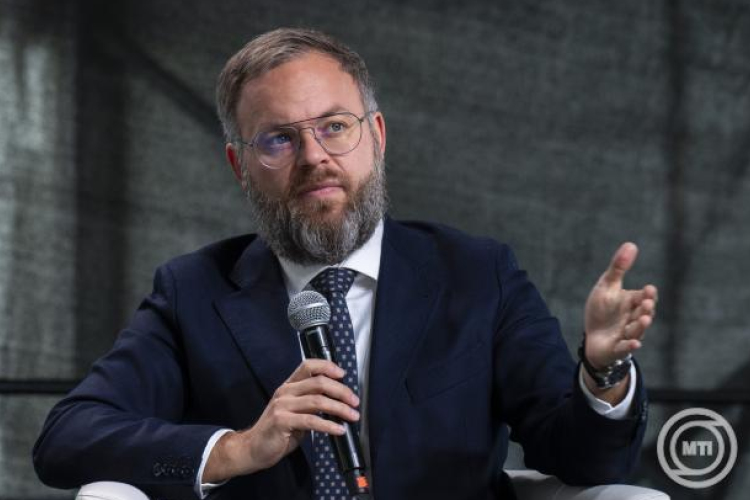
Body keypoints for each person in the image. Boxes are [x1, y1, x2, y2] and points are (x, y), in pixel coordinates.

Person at [33, 28, 658, 500]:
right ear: (239, 165)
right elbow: (66, 438)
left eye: (334, 126)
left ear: (376, 136)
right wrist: (238, 449)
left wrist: (602, 373)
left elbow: (586, 462)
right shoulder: (194, 291)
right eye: (279, 138)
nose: (313, 156)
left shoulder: (477, 274)